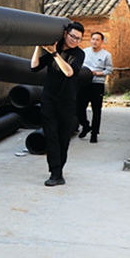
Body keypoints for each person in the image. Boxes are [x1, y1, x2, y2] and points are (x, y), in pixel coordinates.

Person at [30, 22, 85, 187]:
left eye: (78, 38)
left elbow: (69, 72)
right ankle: (55, 173)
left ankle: (58, 170)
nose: (74, 40)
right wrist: (38, 47)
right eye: (72, 36)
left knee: (63, 138)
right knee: (51, 136)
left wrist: (54, 54)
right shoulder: (54, 49)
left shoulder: (78, 54)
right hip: (49, 99)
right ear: (65, 34)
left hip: (66, 102)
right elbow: (34, 67)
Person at [76, 32, 113, 144]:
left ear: (102, 41)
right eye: (93, 39)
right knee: (78, 108)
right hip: (83, 83)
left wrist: (98, 73)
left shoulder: (106, 55)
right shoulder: (84, 52)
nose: (95, 42)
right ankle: (86, 125)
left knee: (96, 110)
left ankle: (94, 134)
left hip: (97, 84)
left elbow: (109, 70)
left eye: (97, 40)